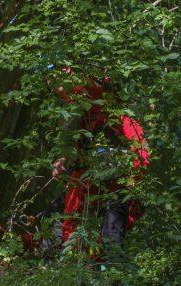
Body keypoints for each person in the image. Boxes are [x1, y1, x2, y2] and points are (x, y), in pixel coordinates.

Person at [54, 74, 150, 253]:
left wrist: (132, 183)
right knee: (71, 225)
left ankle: (108, 273)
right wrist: (63, 158)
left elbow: (142, 156)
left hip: (116, 186)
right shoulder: (84, 113)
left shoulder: (124, 120)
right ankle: (73, 269)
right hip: (86, 181)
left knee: (111, 234)